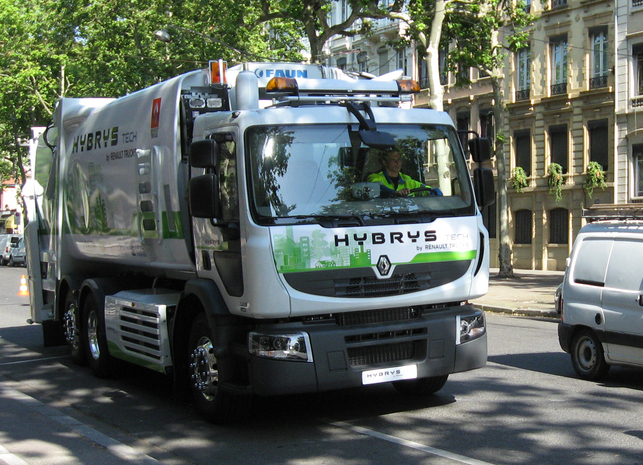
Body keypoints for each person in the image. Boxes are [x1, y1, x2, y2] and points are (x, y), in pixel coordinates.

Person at [367, 149, 436, 197]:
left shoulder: (407, 180)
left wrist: (436, 191)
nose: (397, 163)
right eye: (393, 160)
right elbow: (378, 188)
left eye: (399, 159)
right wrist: (395, 193)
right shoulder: (375, 177)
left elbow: (428, 190)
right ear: (384, 162)